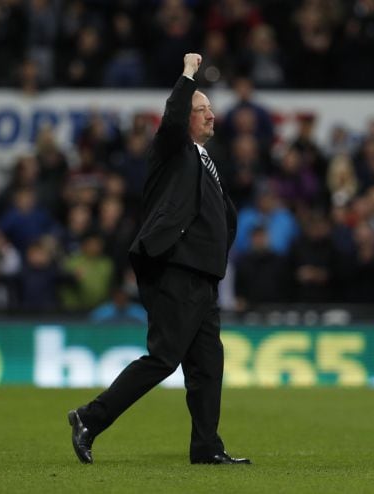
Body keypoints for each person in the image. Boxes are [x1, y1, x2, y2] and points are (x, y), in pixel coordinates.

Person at [68, 53, 247, 465]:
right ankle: (89, 419)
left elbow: (220, 215)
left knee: (207, 367)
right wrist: (188, 75)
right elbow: (171, 118)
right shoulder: (172, 149)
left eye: (211, 109)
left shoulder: (206, 159)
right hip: (177, 269)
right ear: (186, 115)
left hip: (203, 276)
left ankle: (206, 448)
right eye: (201, 110)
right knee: (164, 358)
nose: (210, 116)